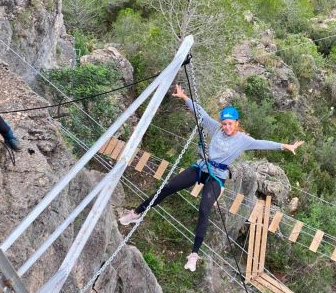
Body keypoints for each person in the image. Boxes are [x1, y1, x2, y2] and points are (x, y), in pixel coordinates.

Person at [119, 84, 304, 272]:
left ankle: (193, 254)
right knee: (169, 187)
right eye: (224, 123)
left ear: (237, 123)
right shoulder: (215, 129)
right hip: (201, 168)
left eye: (230, 123)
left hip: (217, 177)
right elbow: (202, 113)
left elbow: (262, 143)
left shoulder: (243, 140)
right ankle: (136, 213)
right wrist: (184, 97)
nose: (227, 127)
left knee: (204, 209)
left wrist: (284, 146)